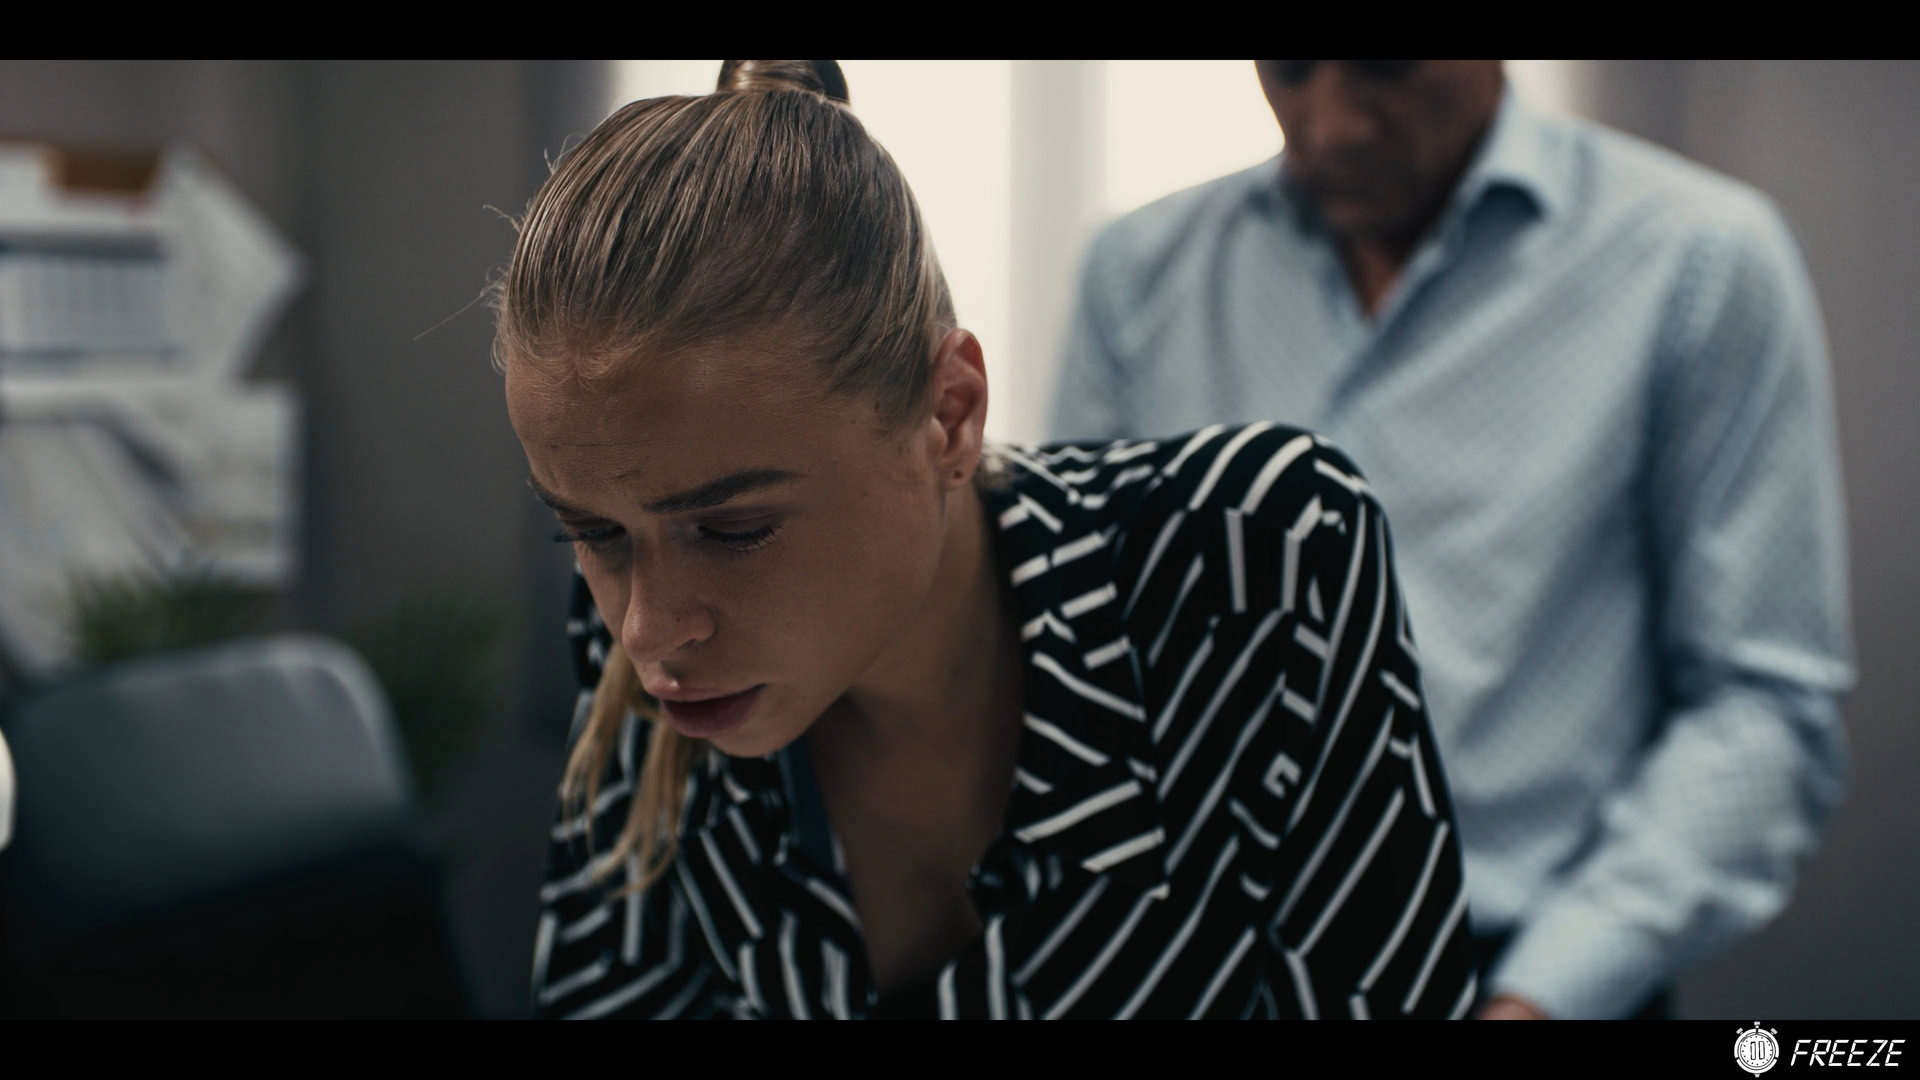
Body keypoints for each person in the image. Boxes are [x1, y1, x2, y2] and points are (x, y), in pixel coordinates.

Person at [504, 60, 1478, 1020]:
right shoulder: (641, 639)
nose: (647, 631)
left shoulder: (1259, 556)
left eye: (735, 528)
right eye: (592, 533)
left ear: (950, 413)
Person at [1049, 59, 1855, 1020]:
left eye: (1384, 67)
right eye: (1289, 68)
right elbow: (1078, 657)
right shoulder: (1138, 272)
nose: (1332, 126)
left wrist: (1543, 994)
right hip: (1192, 971)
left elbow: (1759, 707)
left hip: (1526, 974)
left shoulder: (1696, 261)